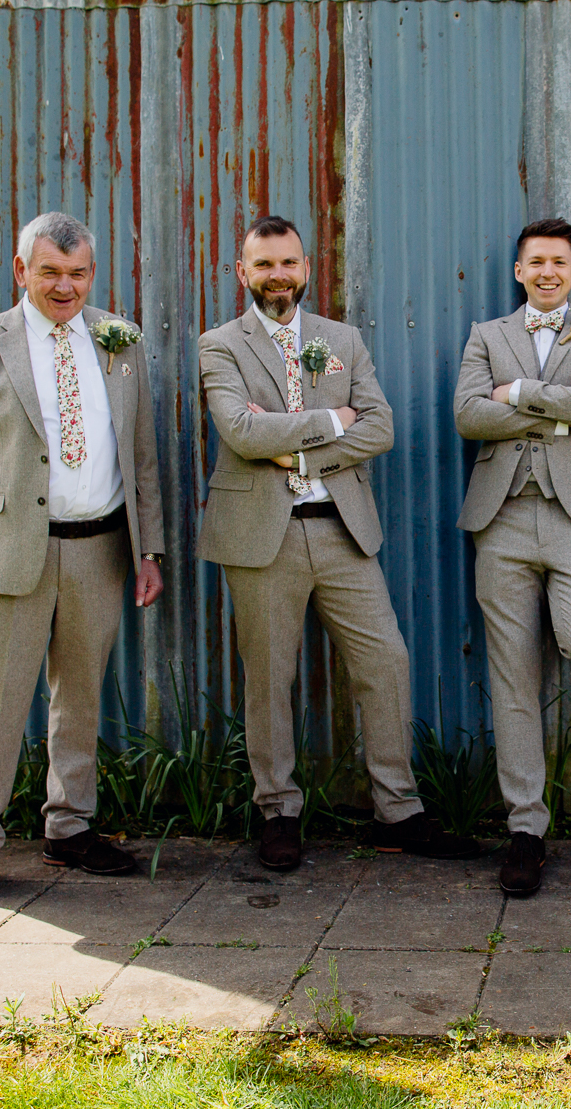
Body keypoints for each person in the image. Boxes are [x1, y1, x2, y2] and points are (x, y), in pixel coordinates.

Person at [198, 215, 477, 872]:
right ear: (243, 273)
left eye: (288, 263)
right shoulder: (220, 345)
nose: (277, 276)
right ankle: (279, 812)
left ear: (306, 268)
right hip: (261, 539)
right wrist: (331, 420)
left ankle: (398, 812)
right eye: (263, 265)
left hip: (344, 532)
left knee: (387, 662)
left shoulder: (341, 339)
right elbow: (241, 432)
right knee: (269, 678)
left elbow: (379, 427)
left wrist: (298, 456)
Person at [0, 212, 166, 913]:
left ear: (91, 274)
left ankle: (70, 827)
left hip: (101, 549)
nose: (65, 287)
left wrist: (148, 548)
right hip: (7, 559)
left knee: (81, 696)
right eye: (50, 272)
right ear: (21, 270)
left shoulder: (120, 342)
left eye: (78, 273)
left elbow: (142, 453)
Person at [453, 218, 571, 897]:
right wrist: (563, 414)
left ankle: (559, 627)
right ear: (519, 270)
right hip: (500, 519)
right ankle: (526, 829)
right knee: (513, 681)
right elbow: (469, 414)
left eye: (560, 262)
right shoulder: (487, 336)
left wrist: (521, 396)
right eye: (536, 262)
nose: (549, 272)